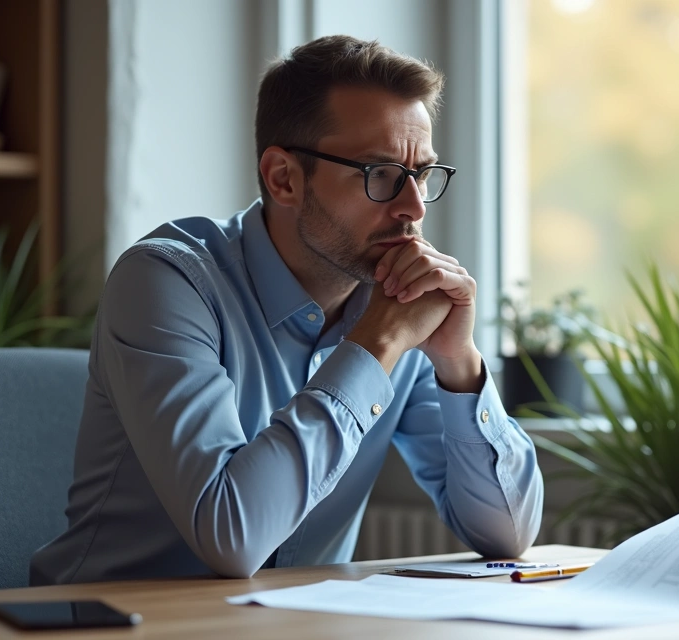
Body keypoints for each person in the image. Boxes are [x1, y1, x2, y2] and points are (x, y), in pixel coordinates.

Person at [30, 35, 544, 585]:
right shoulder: (166, 282)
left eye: (420, 174)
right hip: (113, 625)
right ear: (284, 179)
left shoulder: (396, 307)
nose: (414, 207)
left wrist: (459, 363)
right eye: (381, 174)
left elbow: (506, 535)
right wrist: (373, 349)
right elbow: (232, 537)